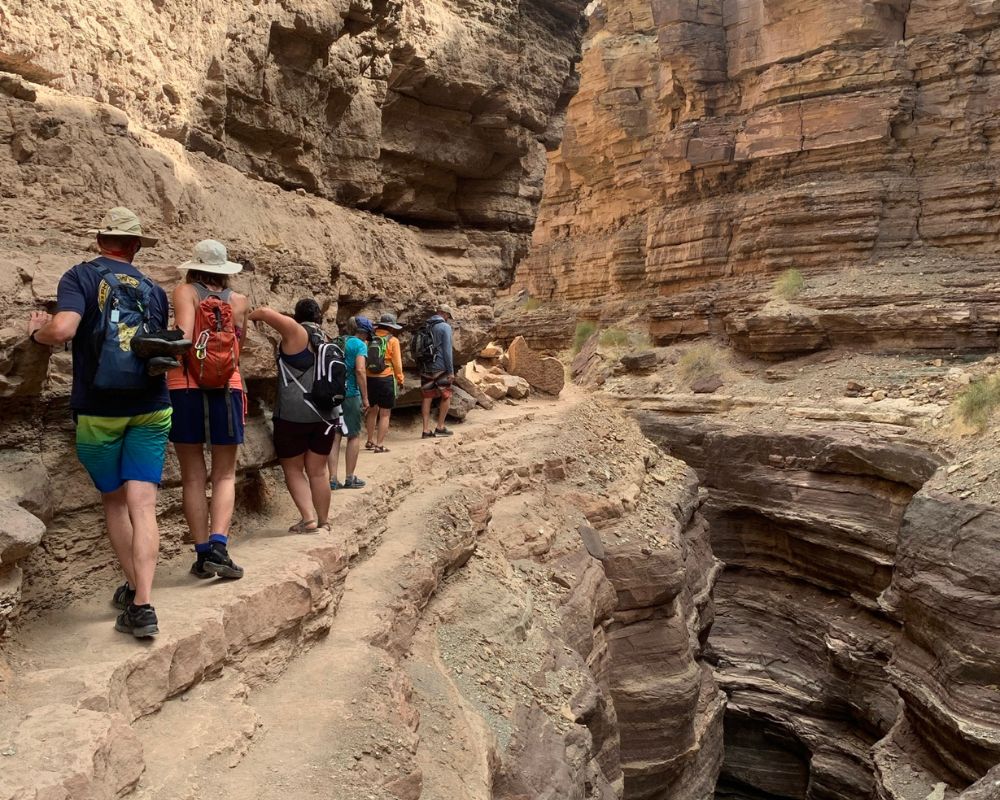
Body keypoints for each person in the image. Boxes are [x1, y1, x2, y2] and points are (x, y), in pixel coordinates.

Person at [27, 207, 189, 639]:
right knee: (144, 505)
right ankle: (142, 603)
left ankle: (138, 594)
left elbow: (63, 330)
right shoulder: (154, 289)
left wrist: (36, 333)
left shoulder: (79, 276)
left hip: (100, 410)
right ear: (135, 246)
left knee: (116, 504)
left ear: (100, 240)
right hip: (153, 406)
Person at [168, 240, 247, 580]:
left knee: (193, 475)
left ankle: (202, 554)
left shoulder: (185, 292)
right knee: (225, 474)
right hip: (228, 387)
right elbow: (239, 345)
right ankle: (219, 547)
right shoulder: (239, 300)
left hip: (185, 386)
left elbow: (183, 337)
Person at [248, 300, 335, 533]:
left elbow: (265, 312)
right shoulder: (326, 338)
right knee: (319, 471)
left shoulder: (297, 332)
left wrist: (247, 318)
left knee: (294, 469)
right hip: (326, 416)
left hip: (293, 415)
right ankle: (324, 521)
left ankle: (308, 520)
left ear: (297, 316)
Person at [329, 316, 370, 489]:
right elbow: (360, 370)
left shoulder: (338, 341)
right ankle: (349, 477)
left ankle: (332, 479)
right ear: (363, 332)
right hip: (351, 394)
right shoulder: (359, 345)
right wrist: (365, 398)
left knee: (335, 436)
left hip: (333, 394)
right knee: (353, 435)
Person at [364, 313, 404, 453]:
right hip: (386, 377)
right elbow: (397, 363)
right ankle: (379, 444)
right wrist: (400, 378)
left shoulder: (369, 339)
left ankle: (370, 440)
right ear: (391, 327)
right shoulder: (393, 340)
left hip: (370, 377)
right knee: (385, 413)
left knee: (372, 410)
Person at [420, 304, 455, 438]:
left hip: (425, 367)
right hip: (440, 367)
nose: (447, 319)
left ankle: (425, 430)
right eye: (448, 316)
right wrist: (450, 371)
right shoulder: (445, 327)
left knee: (427, 397)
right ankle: (440, 427)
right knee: (446, 395)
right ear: (444, 314)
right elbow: (447, 350)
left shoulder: (425, 326)